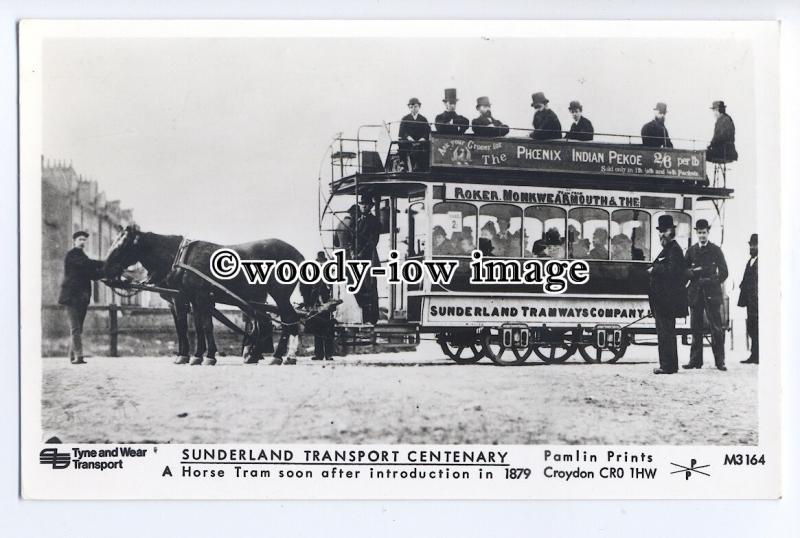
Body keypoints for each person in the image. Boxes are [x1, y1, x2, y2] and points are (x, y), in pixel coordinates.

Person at [683, 219, 729, 371]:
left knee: (716, 328)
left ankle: (720, 362)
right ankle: (695, 361)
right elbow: (683, 271)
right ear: (696, 233)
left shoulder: (716, 250)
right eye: (699, 233)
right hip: (695, 294)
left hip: (711, 293)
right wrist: (691, 273)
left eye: (704, 232)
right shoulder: (691, 251)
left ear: (708, 232)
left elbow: (724, 272)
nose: (702, 235)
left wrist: (710, 280)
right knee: (695, 328)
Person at [647, 215, 688, 374]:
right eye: (660, 231)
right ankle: (668, 365)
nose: (661, 234)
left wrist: (654, 269)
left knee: (666, 333)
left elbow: (674, 272)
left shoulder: (674, 250)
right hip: (662, 300)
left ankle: (668, 366)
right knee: (664, 333)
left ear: (672, 231)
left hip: (667, 300)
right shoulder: (668, 249)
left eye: (665, 231)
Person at [58, 230, 105, 365]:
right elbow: (88, 264)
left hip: (82, 298)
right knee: (76, 328)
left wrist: (106, 272)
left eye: (84, 240)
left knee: (79, 328)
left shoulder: (83, 257)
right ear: (74, 241)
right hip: (71, 297)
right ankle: (79, 356)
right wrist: (106, 263)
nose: (83, 242)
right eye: (80, 239)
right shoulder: (72, 255)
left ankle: (72, 356)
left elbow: (93, 274)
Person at [353, 194, 381, 324]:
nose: (363, 207)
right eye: (361, 204)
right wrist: (354, 252)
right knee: (360, 287)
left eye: (365, 205)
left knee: (370, 287)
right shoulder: (358, 221)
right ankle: (363, 317)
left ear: (370, 207)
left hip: (369, 258)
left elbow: (372, 240)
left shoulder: (373, 221)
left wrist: (360, 253)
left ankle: (372, 318)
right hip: (358, 259)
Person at [305, 251, 336, 361]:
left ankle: (326, 355)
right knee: (319, 332)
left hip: (325, 308)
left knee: (325, 332)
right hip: (319, 308)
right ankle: (322, 355)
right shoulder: (317, 282)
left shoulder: (326, 281)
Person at [738, 233, 758, 364]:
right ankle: (754, 354)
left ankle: (759, 355)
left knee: (758, 327)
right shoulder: (750, 261)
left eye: (755, 245)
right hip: (750, 302)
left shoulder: (763, 262)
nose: (752, 247)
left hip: (758, 301)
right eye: (751, 245)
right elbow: (745, 280)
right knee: (751, 327)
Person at [398, 97, 431, 171]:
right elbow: (402, 132)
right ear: (409, 108)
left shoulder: (423, 119)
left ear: (419, 107)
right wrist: (409, 138)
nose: (413, 108)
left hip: (421, 142)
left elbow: (427, 131)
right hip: (409, 142)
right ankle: (403, 163)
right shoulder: (405, 119)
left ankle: (421, 165)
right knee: (401, 142)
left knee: (427, 146)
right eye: (411, 107)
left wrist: (422, 139)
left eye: (415, 106)